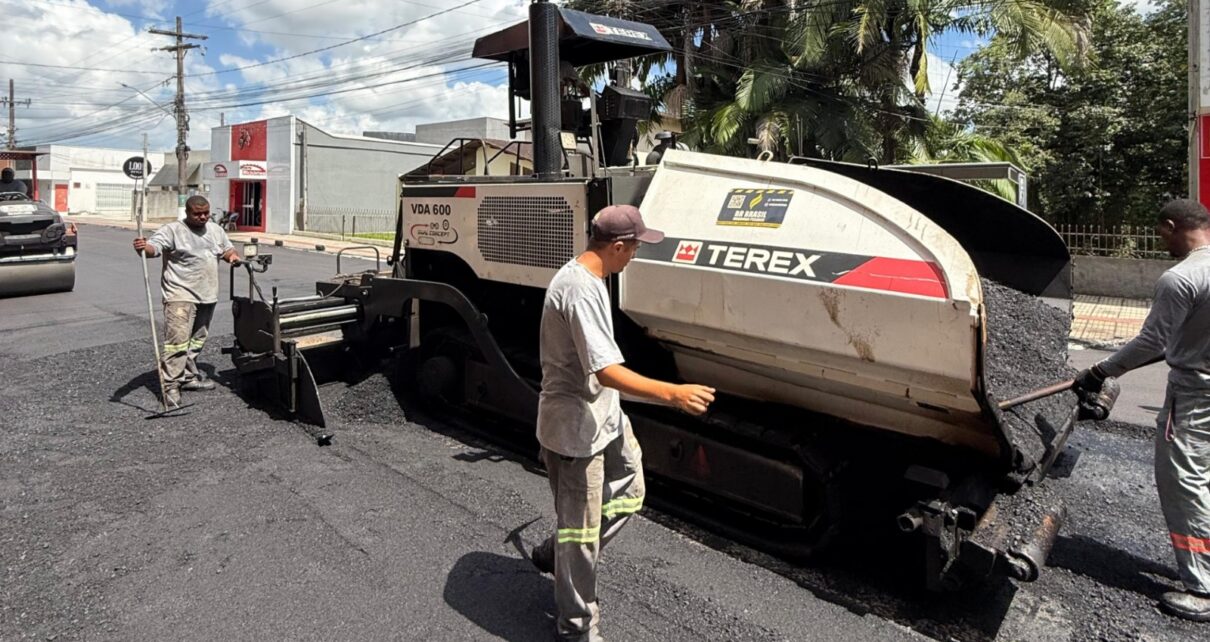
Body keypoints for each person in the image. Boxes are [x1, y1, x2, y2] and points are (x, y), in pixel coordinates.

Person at [530, 204, 716, 641]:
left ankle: (559, 552)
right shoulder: (579, 290)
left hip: (603, 416)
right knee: (580, 533)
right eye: (634, 247)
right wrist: (673, 394)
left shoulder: (593, 277)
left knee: (630, 489)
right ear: (616, 246)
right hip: (575, 431)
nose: (635, 254)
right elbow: (606, 371)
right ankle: (577, 627)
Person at [1075, 198, 1210, 622]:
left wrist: (1099, 371)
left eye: (1160, 233)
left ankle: (1202, 586)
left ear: (1171, 226)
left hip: (1195, 396)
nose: (1161, 241)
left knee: (1185, 482)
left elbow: (1152, 341)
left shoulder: (1181, 278)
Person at [132, 195, 240, 407]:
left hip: (207, 294)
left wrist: (233, 257)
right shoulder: (173, 230)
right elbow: (154, 248)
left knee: (197, 340)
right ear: (187, 212)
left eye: (206, 213)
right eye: (197, 214)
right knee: (177, 342)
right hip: (180, 295)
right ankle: (171, 386)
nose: (203, 217)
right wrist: (143, 248)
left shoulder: (215, 230)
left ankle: (189, 376)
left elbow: (227, 248)